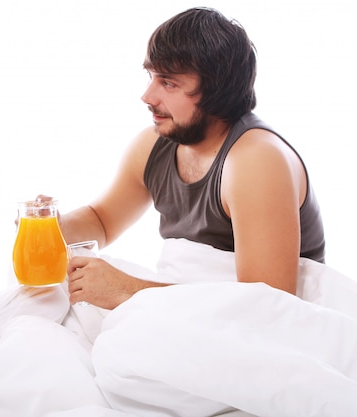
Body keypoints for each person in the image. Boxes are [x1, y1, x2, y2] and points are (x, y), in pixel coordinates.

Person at [55, 7, 325, 310]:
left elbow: (267, 305)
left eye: (169, 83)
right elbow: (102, 221)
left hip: (257, 329)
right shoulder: (155, 145)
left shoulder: (256, 160)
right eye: (151, 76)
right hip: (192, 313)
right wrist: (52, 228)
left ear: (216, 92)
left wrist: (126, 290)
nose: (148, 96)